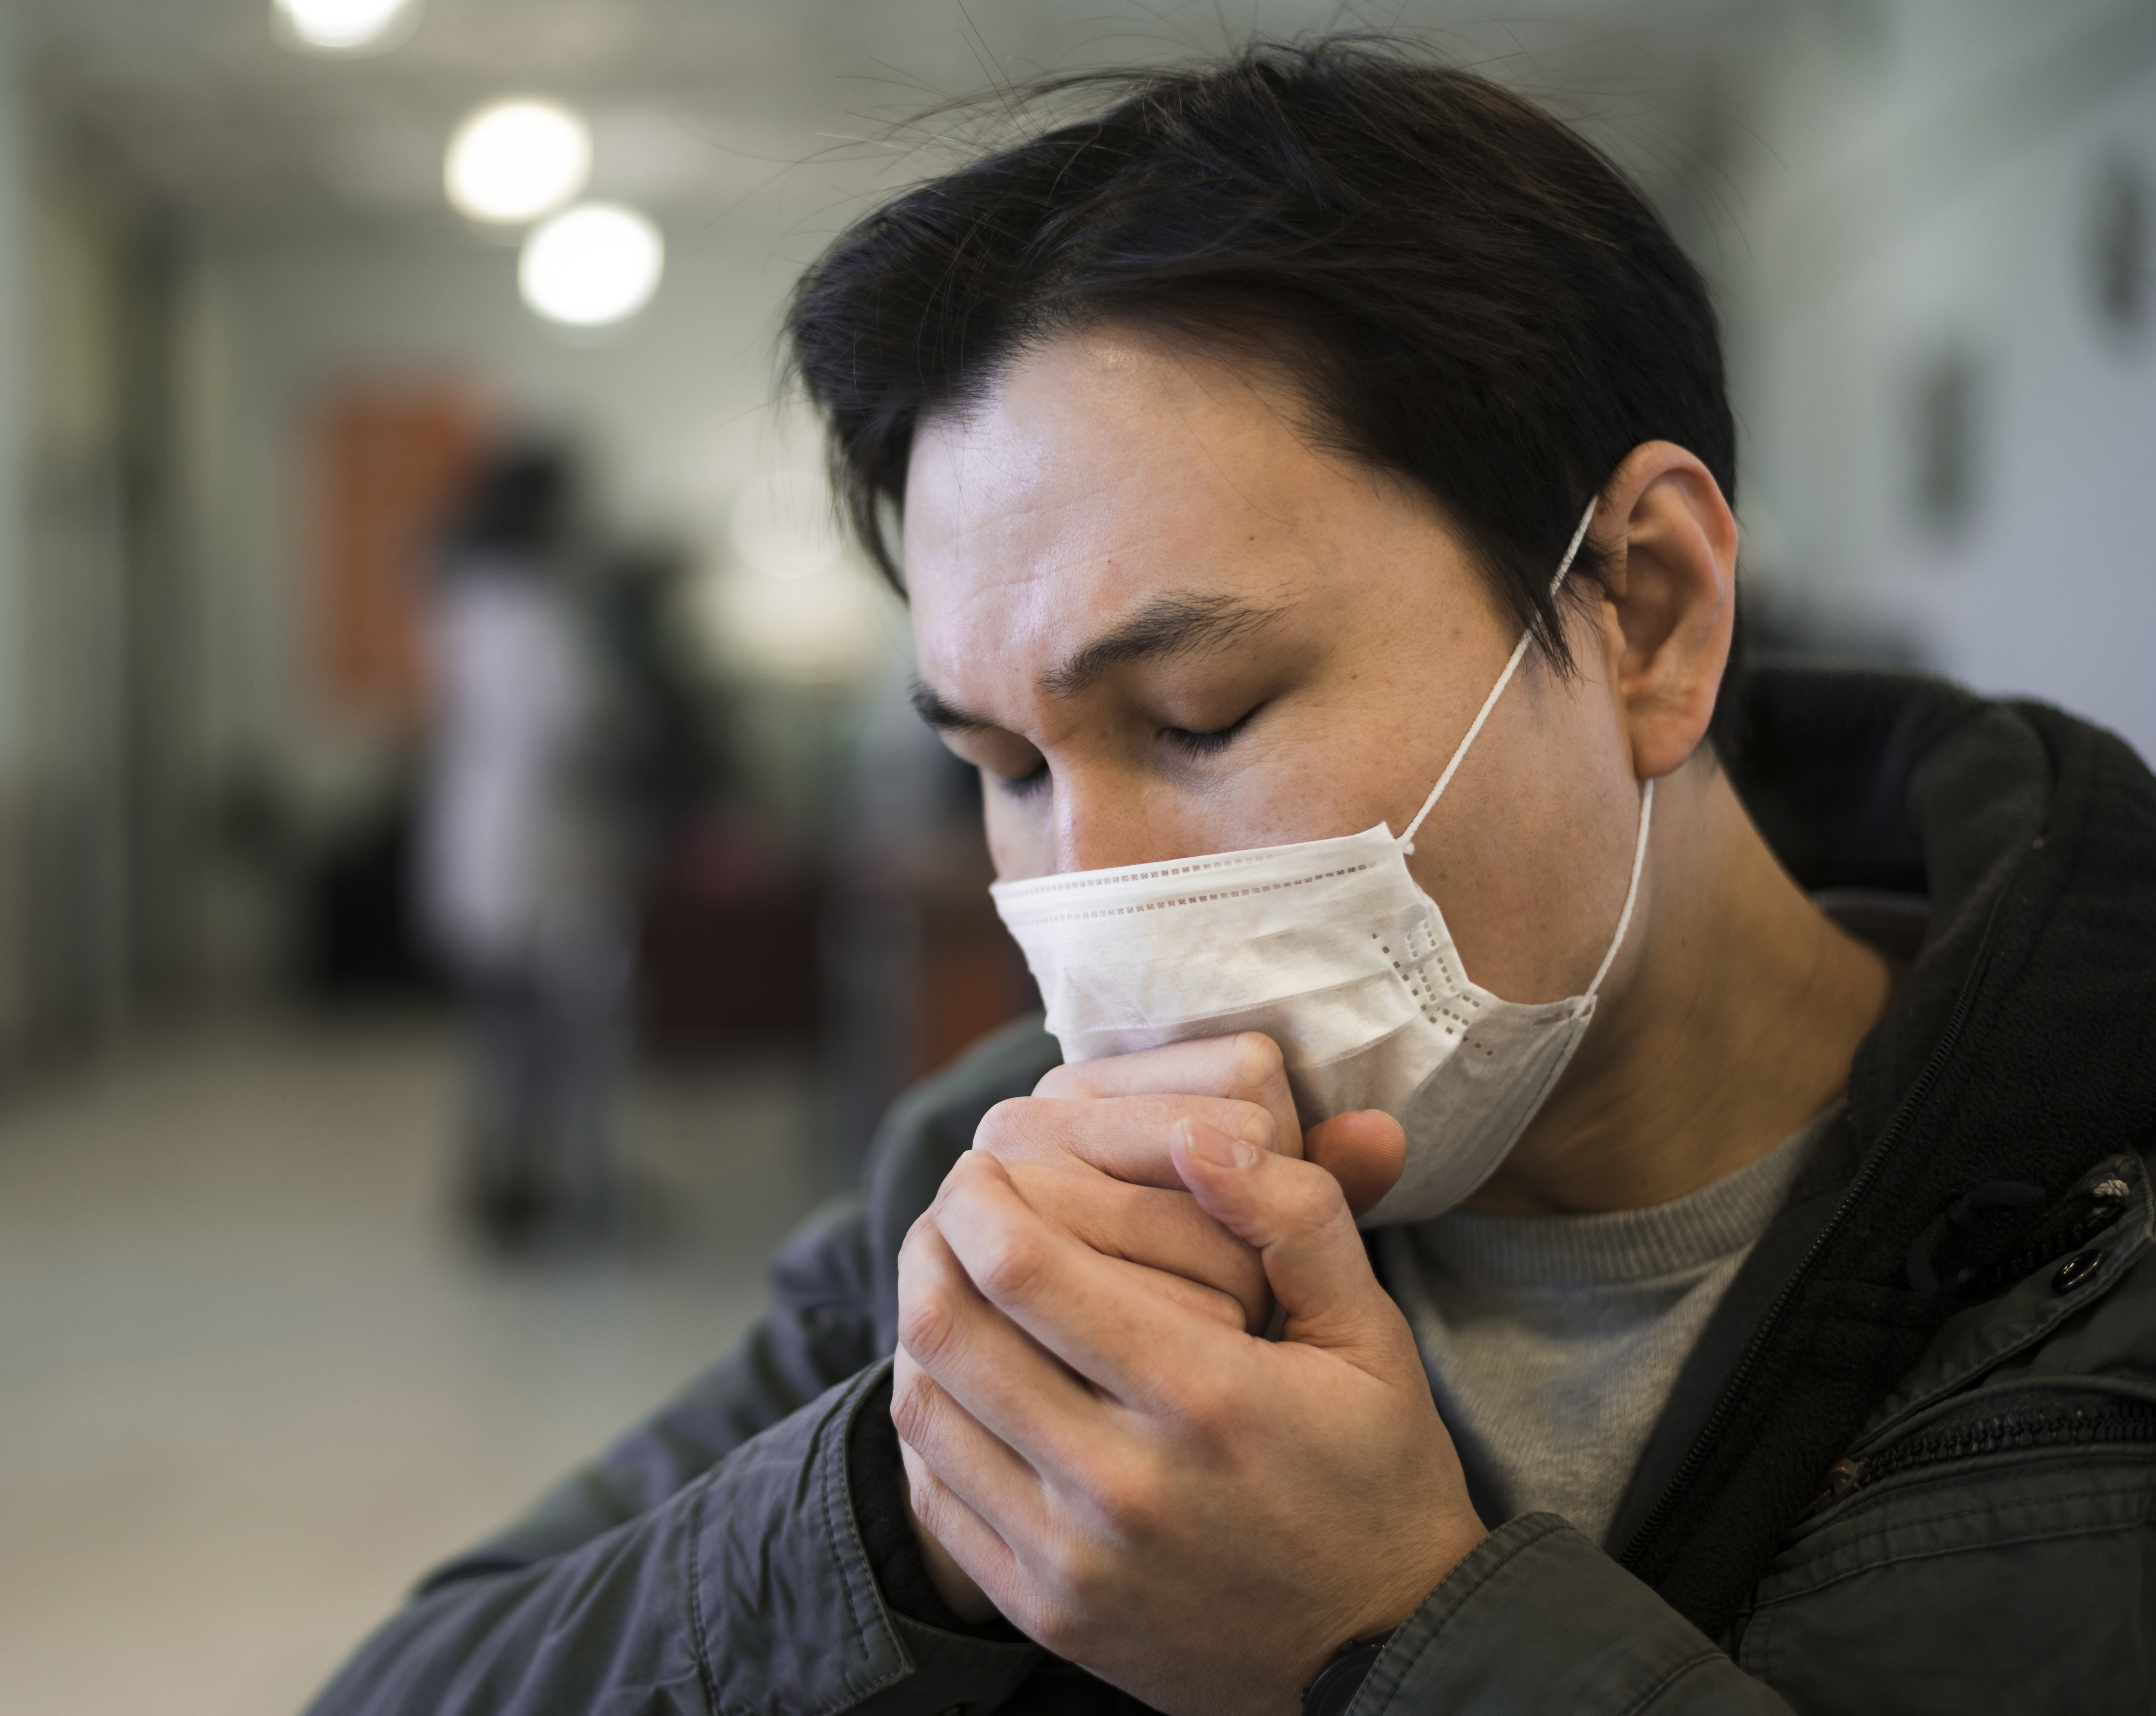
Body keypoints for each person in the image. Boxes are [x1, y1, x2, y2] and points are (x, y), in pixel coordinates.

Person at [322, 40, 2156, 1713]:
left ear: (1647, 611)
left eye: (1202, 716)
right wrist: (932, 1508)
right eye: (1009, 769)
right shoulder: (987, 1201)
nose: (1095, 895)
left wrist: (1397, 1635)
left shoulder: (2097, 1245)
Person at [414, 446, 627, 1248]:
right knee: (539, 1037)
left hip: (485, 837)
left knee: (500, 1035)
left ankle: (506, 1185)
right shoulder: (530, 602)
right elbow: (570, 719)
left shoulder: (464, 594)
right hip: (531, 847)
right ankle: (529, 1193)